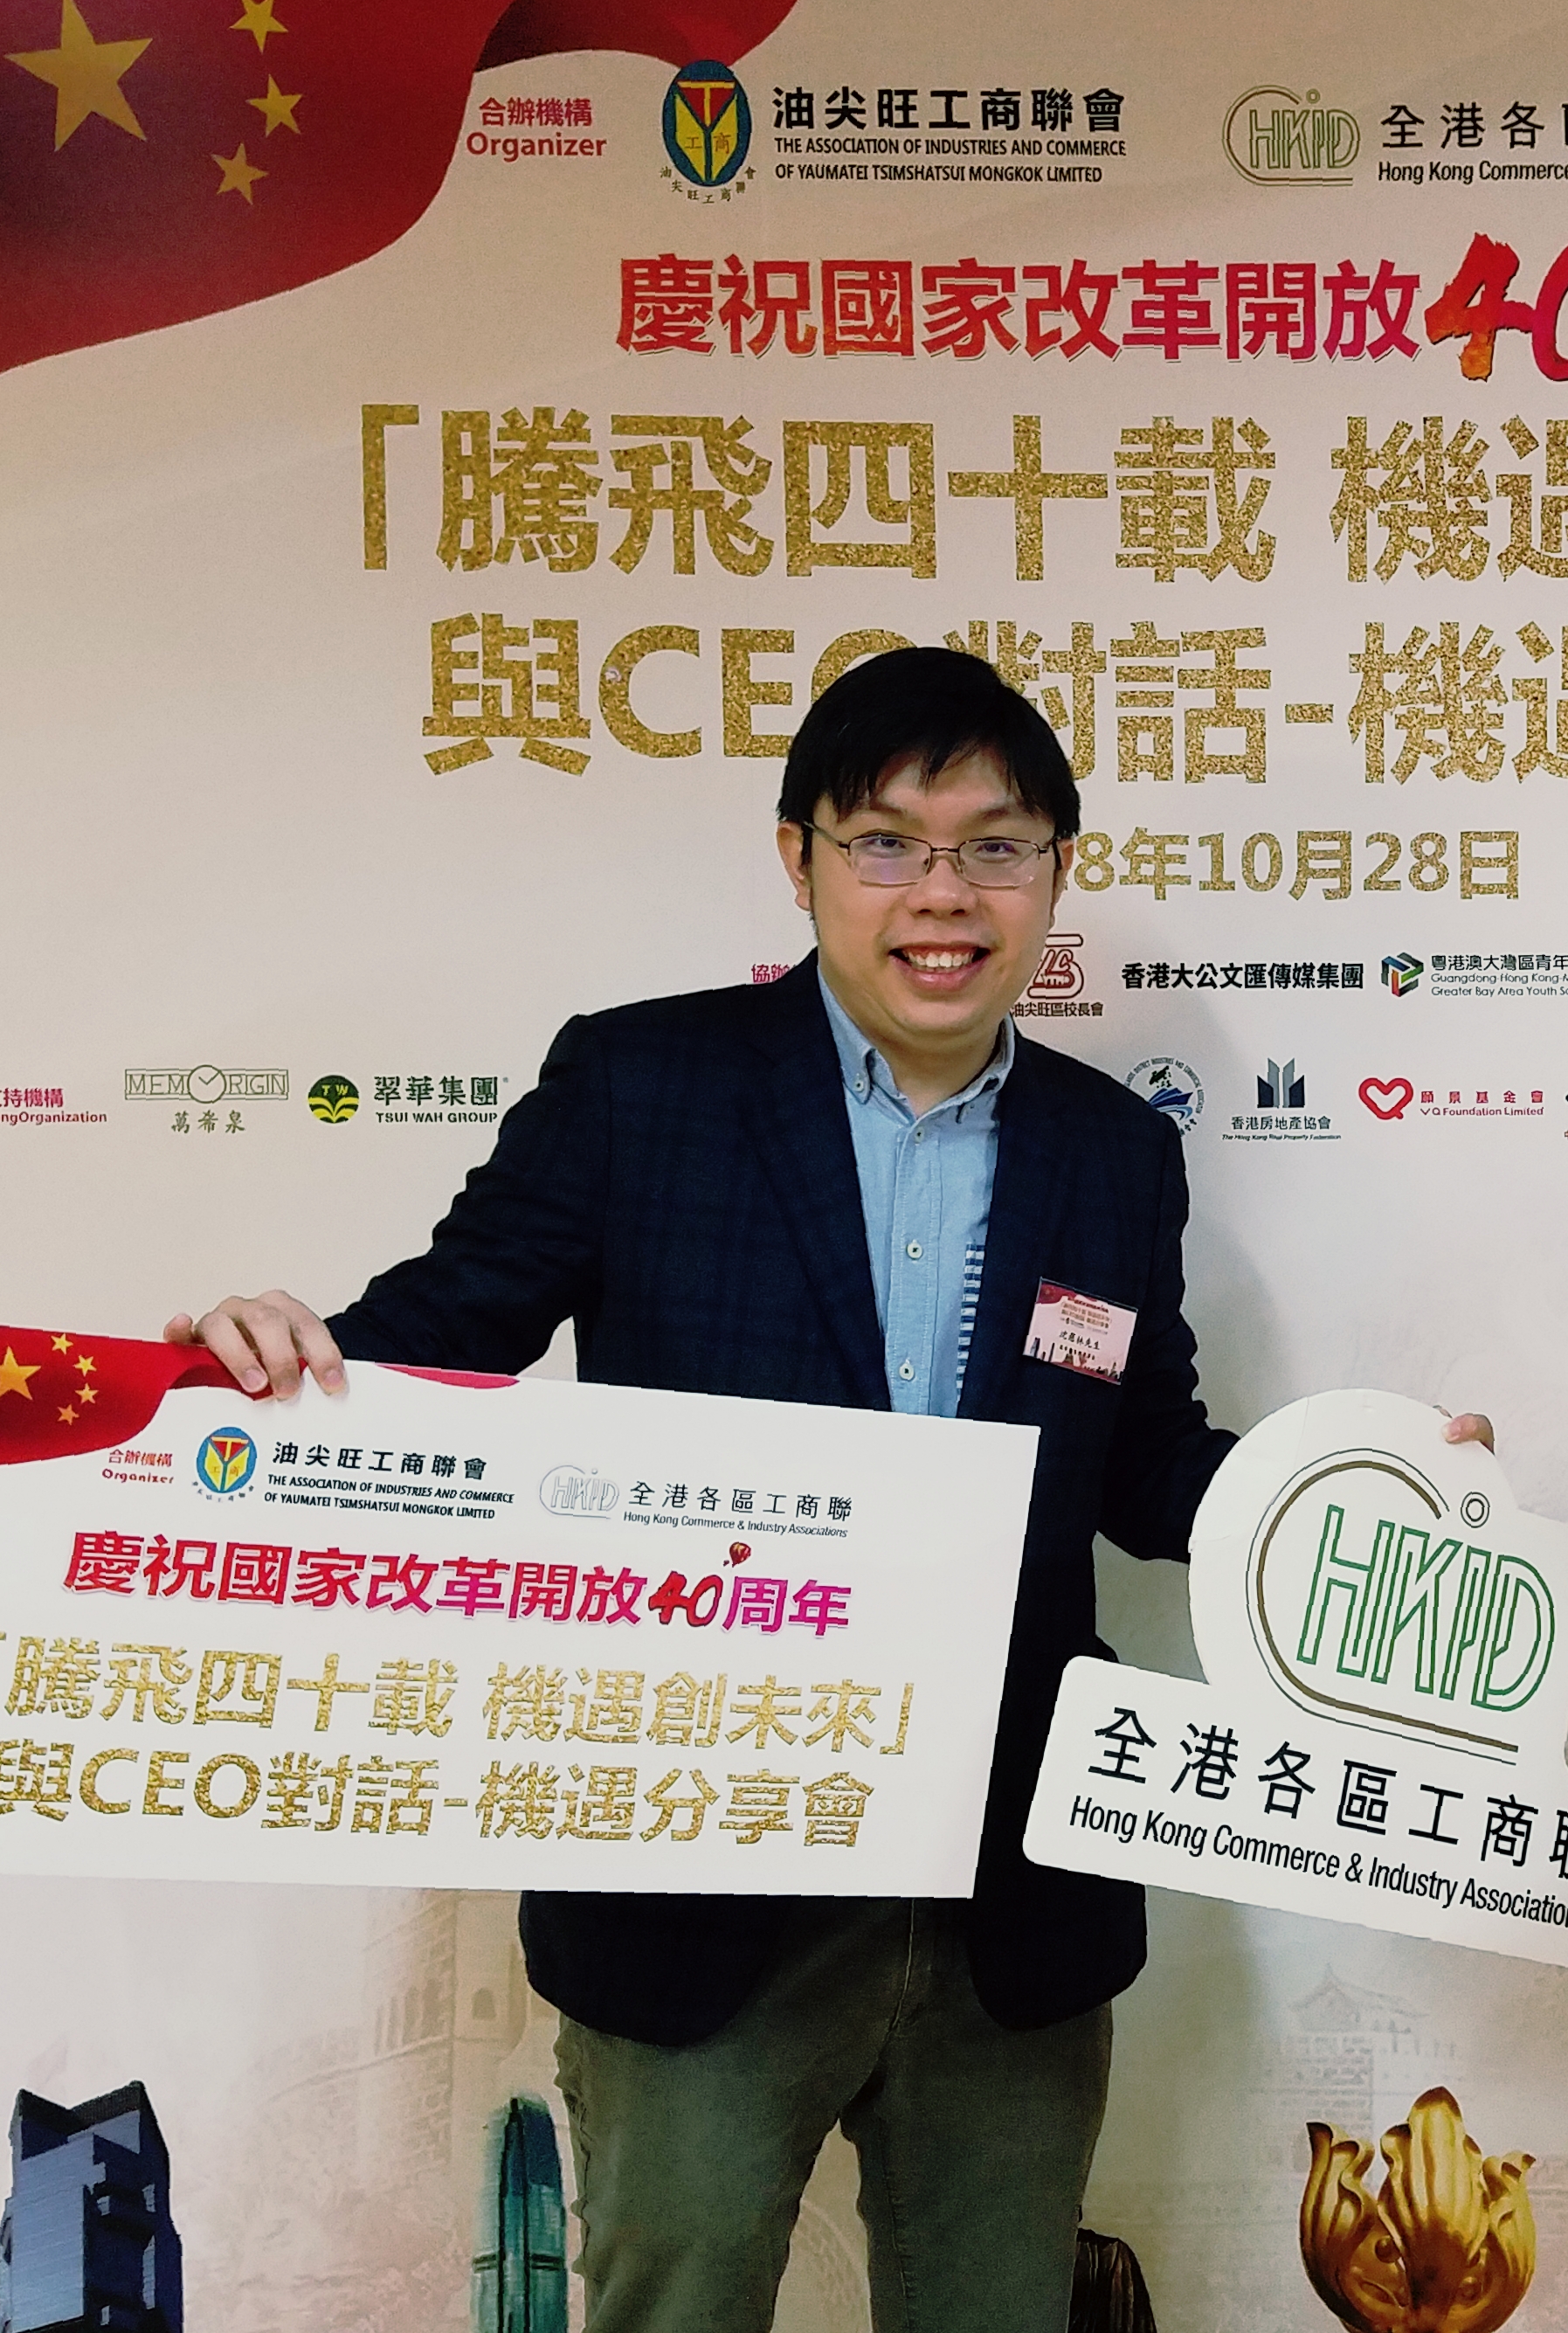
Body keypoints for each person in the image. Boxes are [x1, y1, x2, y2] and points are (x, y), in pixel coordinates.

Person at [169, 647, 1491, 2333]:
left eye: (995, 847)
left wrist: (1350, 1496)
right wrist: (275, 1364)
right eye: (887, 842)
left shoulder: (1110, 1150)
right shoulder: (641, 1088)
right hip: (703, 1864)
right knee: (677, 2307)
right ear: (798, 858)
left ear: (1054, 874)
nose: (943, 895)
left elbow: (1147, 1454)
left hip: (1009, 1885)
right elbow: (446, 1339)